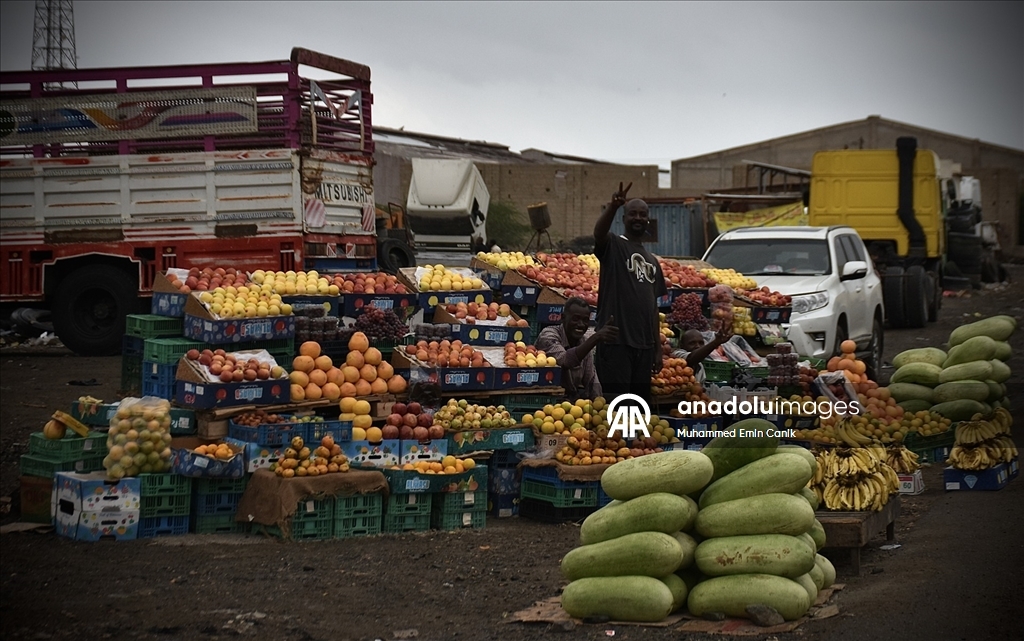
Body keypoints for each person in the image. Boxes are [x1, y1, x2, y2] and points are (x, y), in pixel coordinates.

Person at [592, 182, 668, 404]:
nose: (638, 218)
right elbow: (599, 233)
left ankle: (635, 439)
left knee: (638, 405)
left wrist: (656, 349)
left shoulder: (653, 261)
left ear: (648, 220)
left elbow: (653, 308)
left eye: (642, 214)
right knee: (616, 404)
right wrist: (613, 206)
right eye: (632, 213)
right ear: (624, 218)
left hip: (644, 347)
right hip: (616, 343)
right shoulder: (614, 246)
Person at [535, 296, 617, 402]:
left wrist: (599, 404)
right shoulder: (548, 335)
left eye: (585, 320)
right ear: (563, 318)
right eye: (575, 319)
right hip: (548, 402)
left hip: (571, 402)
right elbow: (565, 360)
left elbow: (591, 380)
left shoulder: (584, 342)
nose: (581, 324)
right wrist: (596, 338)